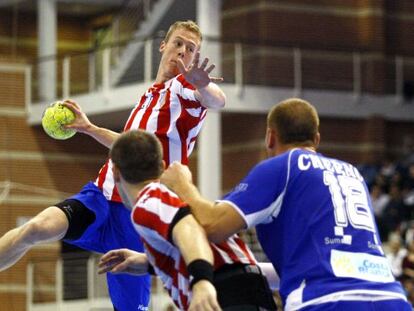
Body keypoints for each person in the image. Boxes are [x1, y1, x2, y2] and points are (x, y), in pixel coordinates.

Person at [0, 20, 225, 311]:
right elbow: (126, 144)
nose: (183, 52)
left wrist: (203, 84)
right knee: (35, 228)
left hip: (137, 216)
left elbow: (216, 101)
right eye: (178, 43)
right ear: (163, 46)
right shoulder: (149, 97)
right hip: (100, 198)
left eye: (191, 49)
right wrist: (90, 128)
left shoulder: (183, 88)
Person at [161, 98, 412, 310]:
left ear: (270, 137)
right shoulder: (353, 174)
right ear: (316, 138)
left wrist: (182, 184)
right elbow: (307, 266)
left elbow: (213, 225)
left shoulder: (285, 166)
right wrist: (151, 264)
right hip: (392, 299)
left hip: (326, 301)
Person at [98, 130, 279, 310]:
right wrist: (150, 262)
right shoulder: (175, 199)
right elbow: (194, 240)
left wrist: (202, 282)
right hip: (247, 288)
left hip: (223, 292)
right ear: (161, 166)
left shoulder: (147, 201)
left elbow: (189, 230)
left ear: (115, 172)